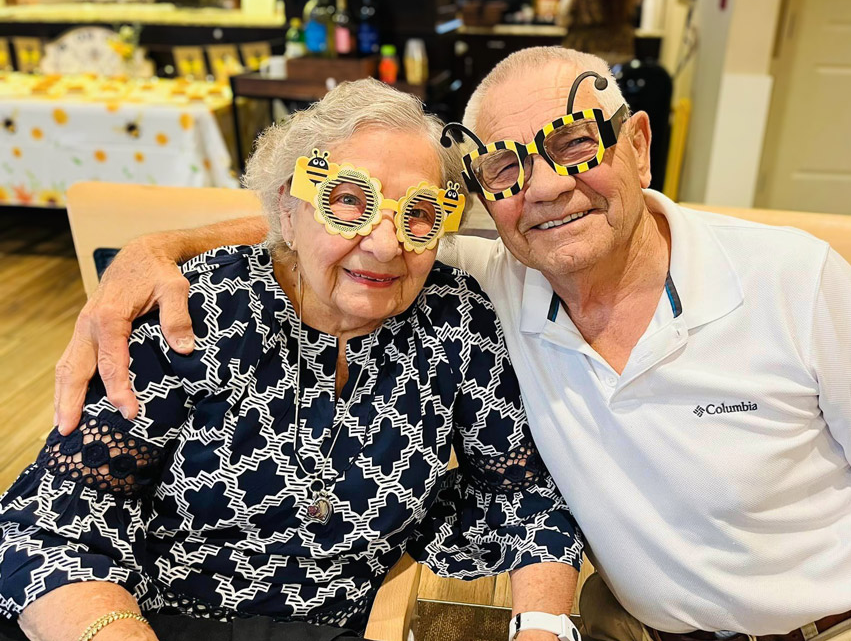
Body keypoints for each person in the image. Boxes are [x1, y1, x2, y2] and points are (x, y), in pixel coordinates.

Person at [51, 48, 851, 641]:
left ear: (638, 147)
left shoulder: (788, 277)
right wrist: (159, 245)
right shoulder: (464, 278)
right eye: (502, 167)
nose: (544, 188)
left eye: (575, 143)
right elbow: (348, 220)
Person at [0, 79, 582, 641]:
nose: (386, 244)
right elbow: (49, 522)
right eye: (348, 202)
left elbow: (520, 493)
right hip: (144, 618)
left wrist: (543, 626)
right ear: (288, 207)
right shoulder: (194, 313)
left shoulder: (455, 321)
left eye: (420, 213)